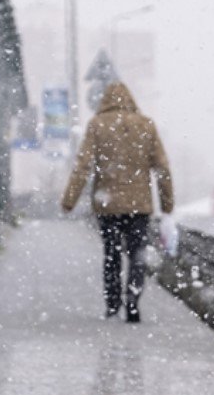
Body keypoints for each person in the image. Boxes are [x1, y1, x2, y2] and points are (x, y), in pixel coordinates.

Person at [60, 81, 174, 323]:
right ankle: (133, 300)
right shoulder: (145, 125)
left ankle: (112, 304)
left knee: (111, 254)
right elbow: (162, 168)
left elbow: (83, 166)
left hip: (108, 205)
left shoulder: (97, 125)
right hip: (139, 206)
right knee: (137, 255)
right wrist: (167, 206)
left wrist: (69, 200)